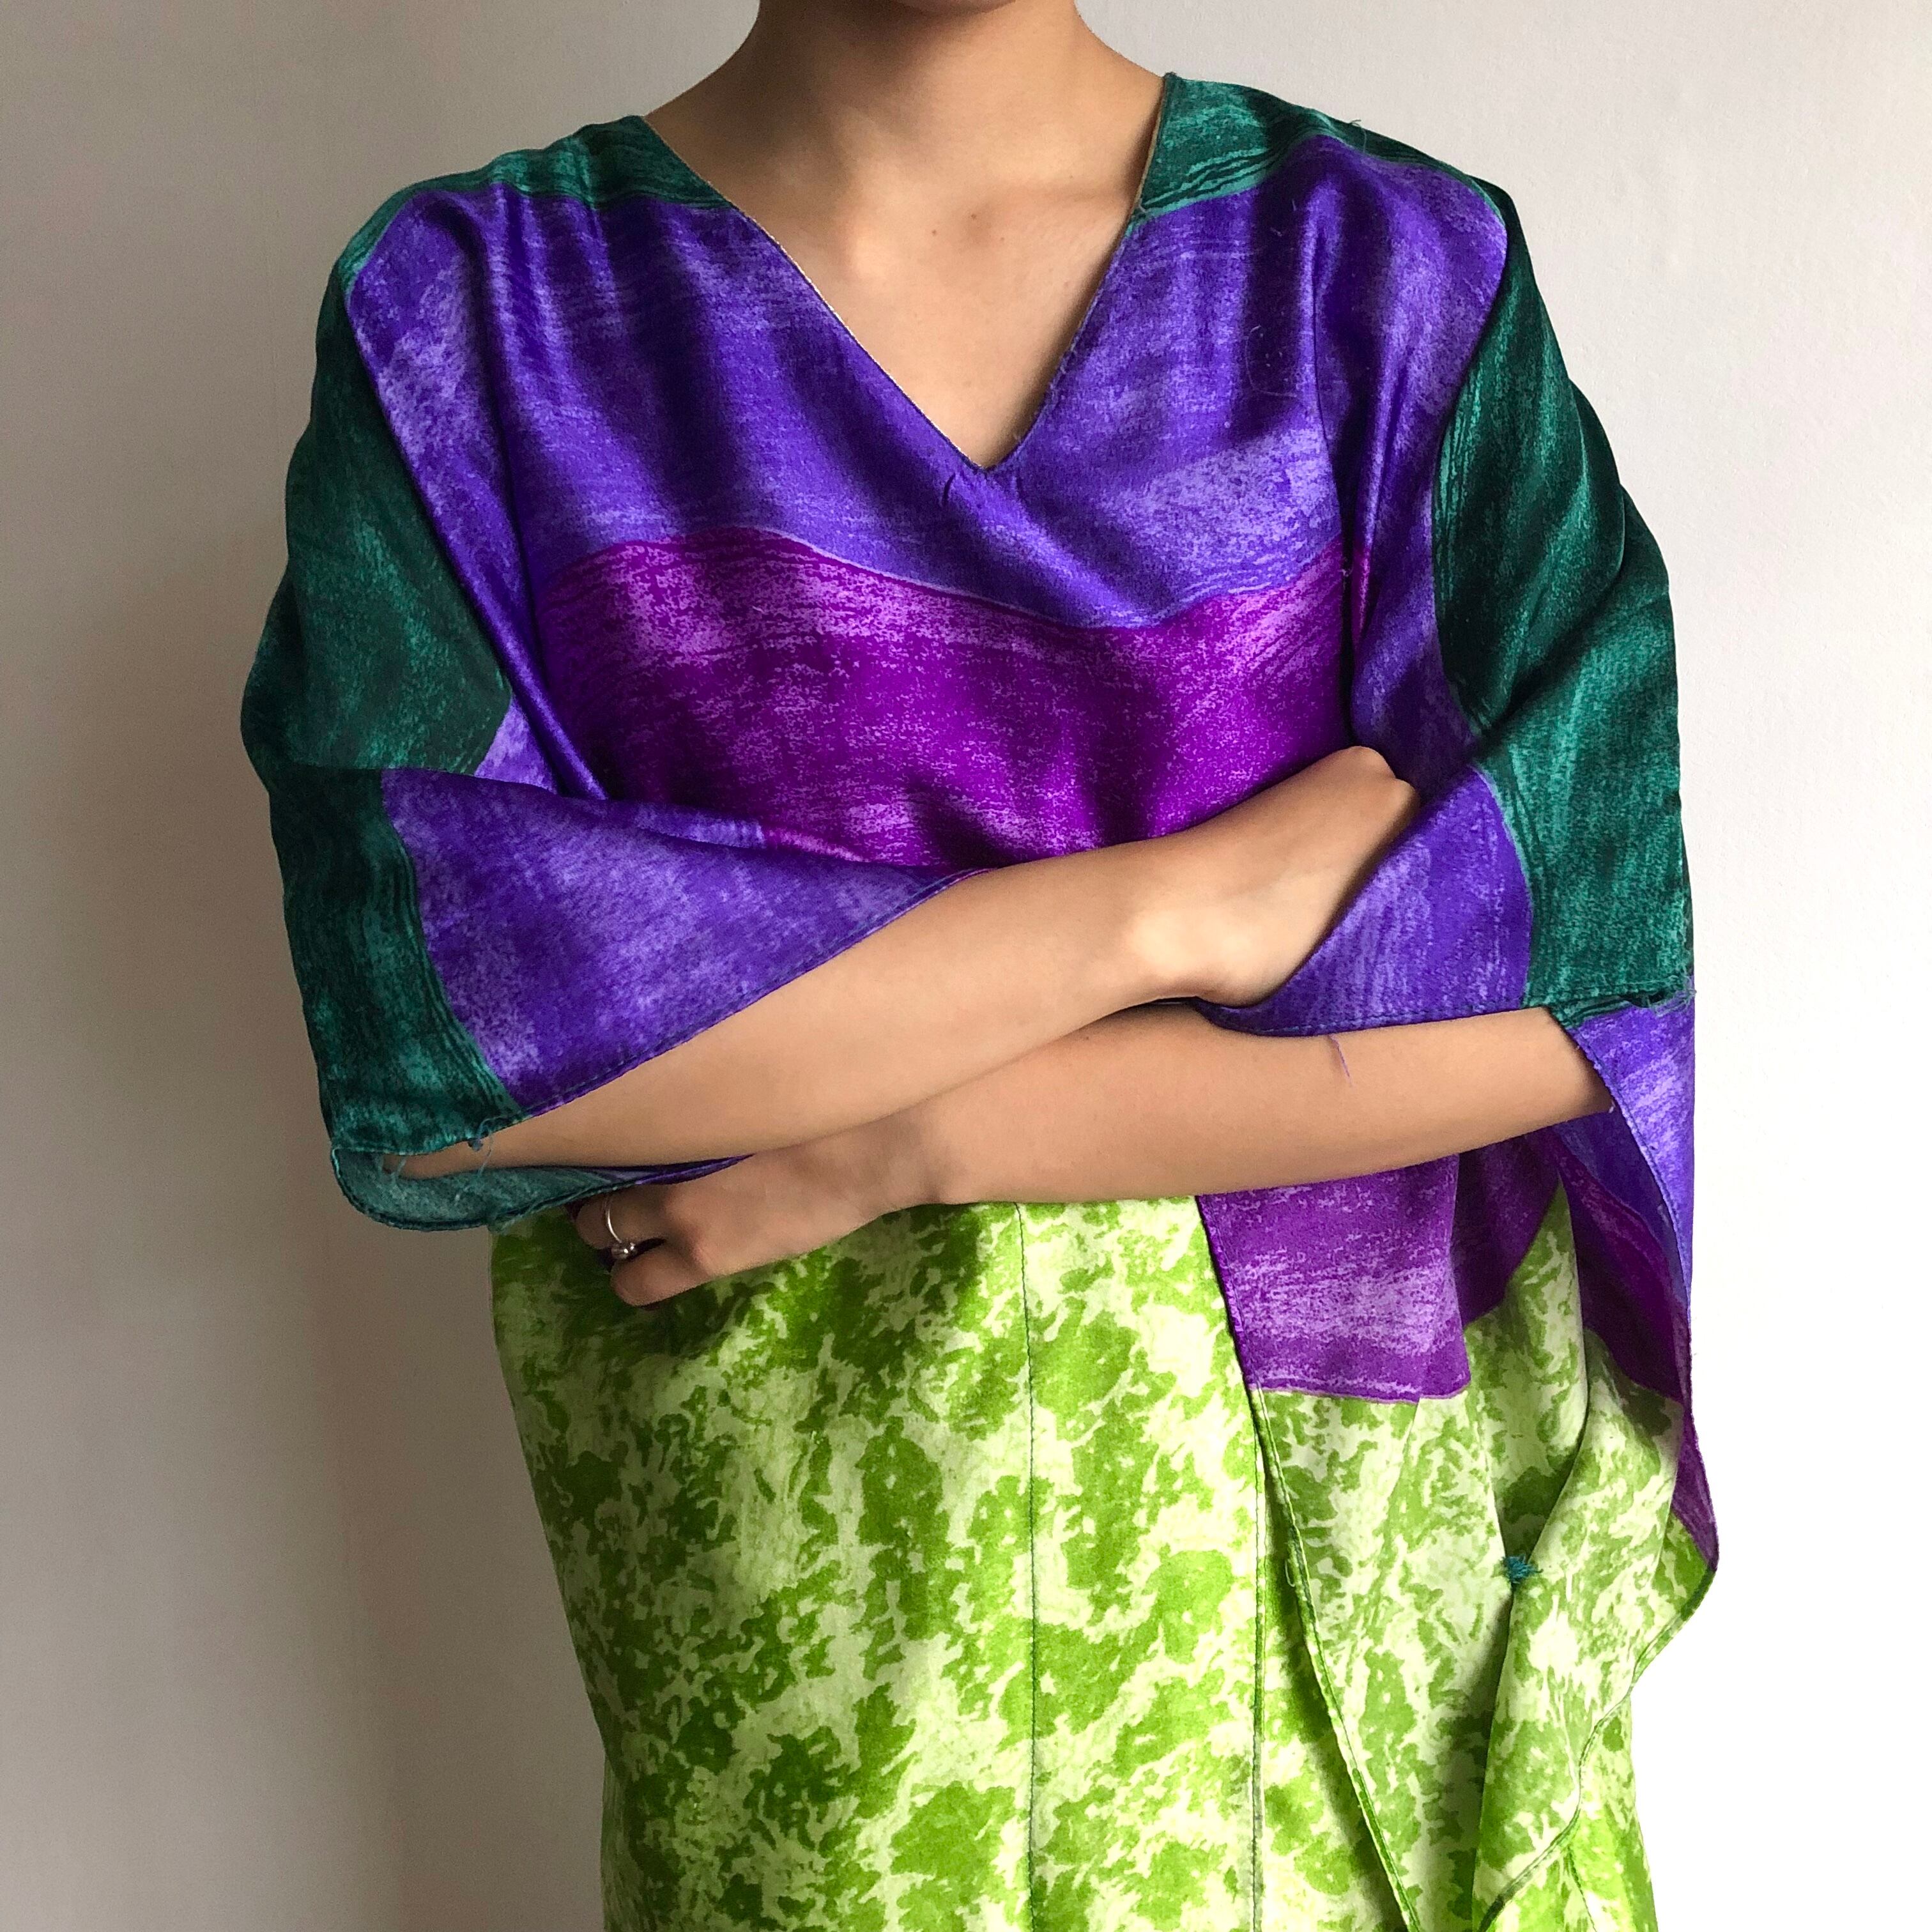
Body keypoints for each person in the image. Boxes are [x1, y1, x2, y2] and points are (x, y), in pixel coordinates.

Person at [243, 3, 1706, 1926]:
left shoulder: (1374, 272)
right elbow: (435, 1051)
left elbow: (1583, 987)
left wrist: (898, 1138)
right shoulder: (480, 313)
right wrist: (1168, 912)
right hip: (811, 1601)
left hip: (1339, 1580)